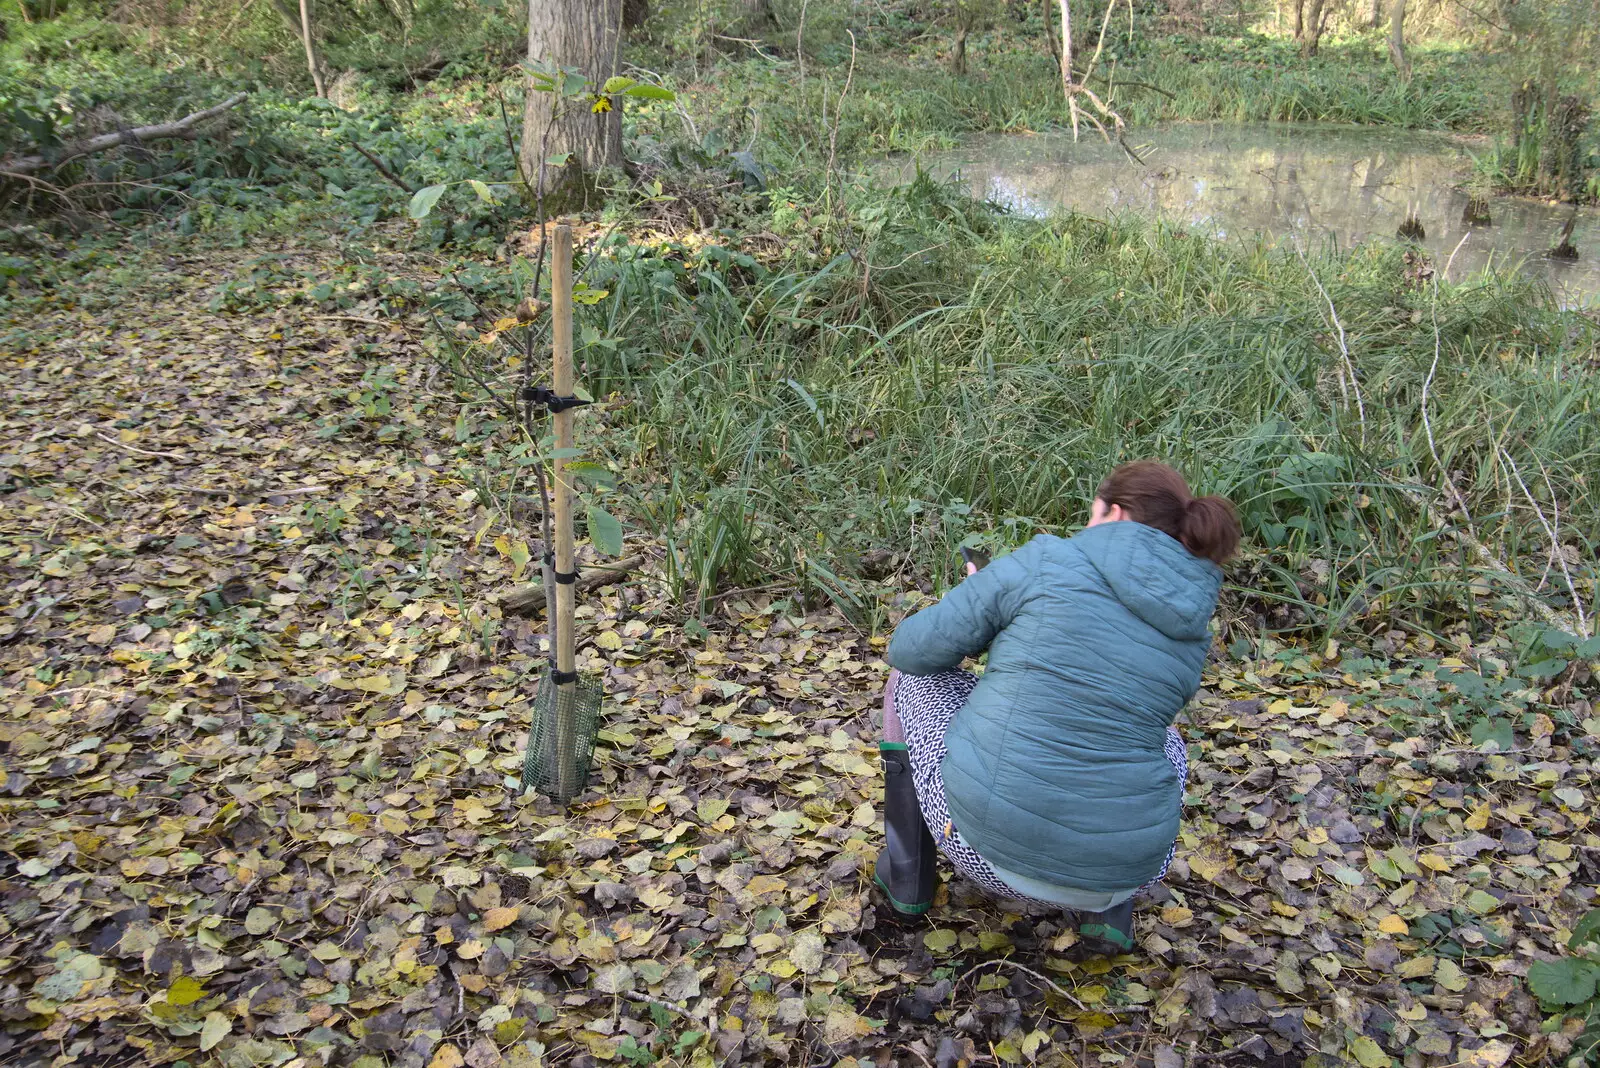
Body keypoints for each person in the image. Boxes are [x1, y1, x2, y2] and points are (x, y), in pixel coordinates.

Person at [873, 461, 1240, 953]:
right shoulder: (1193, 622)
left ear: (1111, 512)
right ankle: (1107, 917)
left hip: (984, 850)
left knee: (911, 676)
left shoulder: (1047, 560)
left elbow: (912, 648)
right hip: (1125, 872)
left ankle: (907, 879)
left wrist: (975, 597)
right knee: (1162, 737)